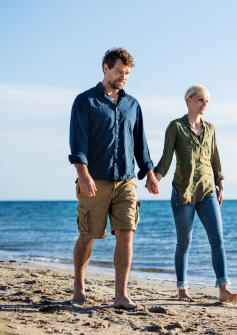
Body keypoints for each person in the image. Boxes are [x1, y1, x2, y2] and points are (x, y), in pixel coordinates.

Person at [68, 47, 160, 309]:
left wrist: (150, 174)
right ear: (105, 68)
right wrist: (83, 174)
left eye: (127, 73)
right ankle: (79, 288)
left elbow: (140, 144)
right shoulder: (85, 101)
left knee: (126, 234)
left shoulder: (133, 104)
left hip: (127, 181)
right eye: (119, 71)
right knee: (89, 235)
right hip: (94, 180)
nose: (123, 76)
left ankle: (121, 295)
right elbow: (78, 143)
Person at [154, 84, 237, 303]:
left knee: (217, 240)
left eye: (207, 101)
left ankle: (223, 289)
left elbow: (215, 158)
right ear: (189, 100)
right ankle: (182, 290)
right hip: (183, 192)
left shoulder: (210, 128)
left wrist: (221, 184)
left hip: (208, 190)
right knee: (184, 242)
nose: (205, 105)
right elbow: (166, 159)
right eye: (201, 100)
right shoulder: (175, 127)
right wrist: (155, 178)